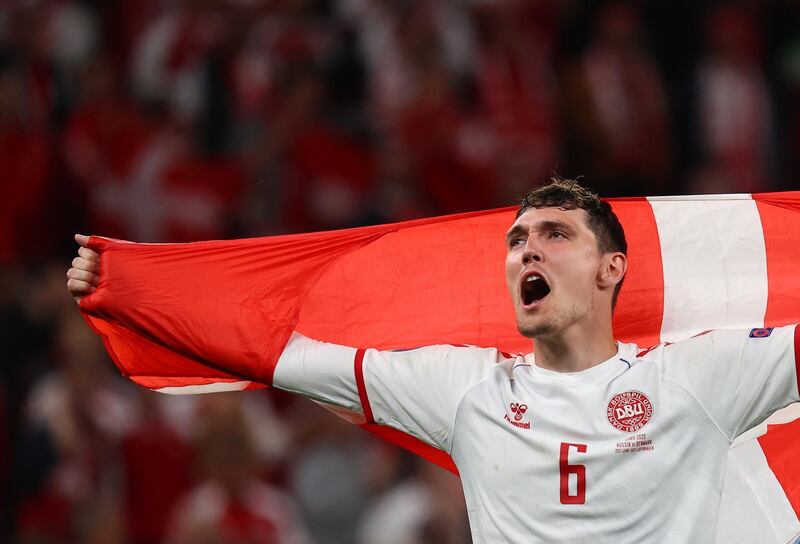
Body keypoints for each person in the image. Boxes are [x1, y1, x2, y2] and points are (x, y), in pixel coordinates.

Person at [67, 178, 800, 543]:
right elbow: (275, 347)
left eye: (554, 235)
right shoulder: (465, 391)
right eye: (517, 241)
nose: (527, 252)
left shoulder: (695, 380)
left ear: (612, 270)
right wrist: (131, 289)